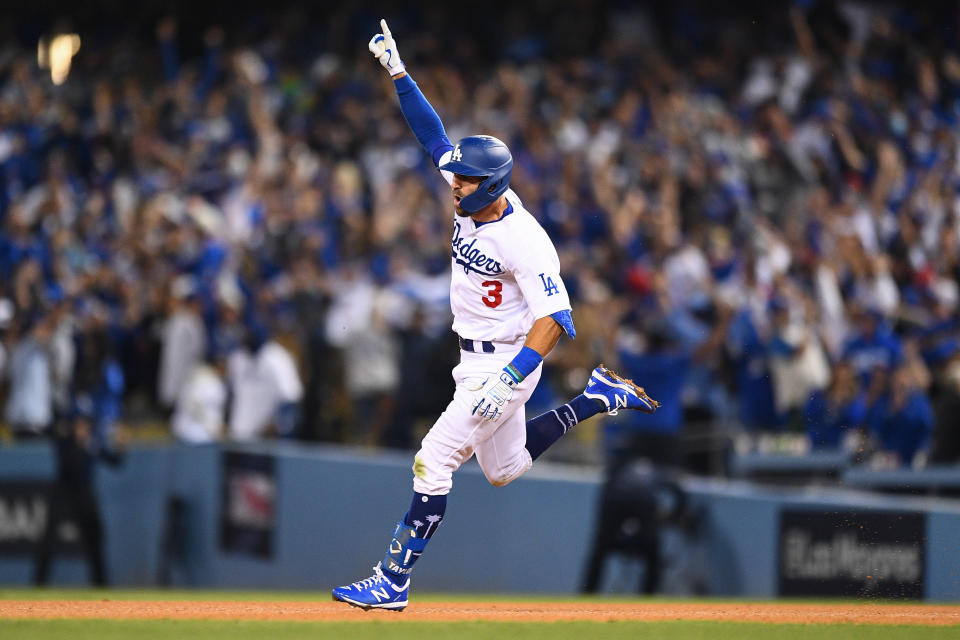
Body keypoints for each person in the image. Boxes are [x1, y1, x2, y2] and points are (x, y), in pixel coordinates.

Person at [331, 20, 659, 611]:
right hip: (475, 355)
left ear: (492, 185)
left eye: (466, 180)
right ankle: (598, 398)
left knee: (433, 458)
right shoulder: (469, 190)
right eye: (458, 176)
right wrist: (399, 73)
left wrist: (513, 377)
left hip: (506, 361)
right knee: (504, 468)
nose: (453, 185)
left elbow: (557, 317)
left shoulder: (526, 240)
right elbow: (432, 136)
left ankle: (392, 579)